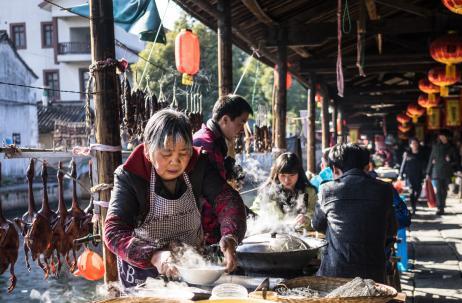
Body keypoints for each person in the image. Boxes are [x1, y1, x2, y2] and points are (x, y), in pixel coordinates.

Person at [104, 109, 247, 288]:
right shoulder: (130, 175)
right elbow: (114, 231)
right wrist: (155, 255)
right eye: (166, 154)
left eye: (183, 153)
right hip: (144, 275)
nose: (175, 161)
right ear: (148, 150)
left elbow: (228, 199)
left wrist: (230, 237)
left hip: (192, 268)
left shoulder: (199, 164)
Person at [312, 143, 397, 283]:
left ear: (334, 169)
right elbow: (391, 229)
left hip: (335, 275)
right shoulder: (385, 189)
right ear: (367, 167)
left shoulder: (327, 189)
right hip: (374, 276)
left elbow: (317, 225)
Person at [193, 94, 253, 181]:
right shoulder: (208, 145)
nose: (242, 130)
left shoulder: (210, 137)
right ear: (225, 120)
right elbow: (219, 191)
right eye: (240, 123)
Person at [251, 152, 318, 230]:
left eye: (292, 175)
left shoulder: (309, 192)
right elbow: (254, 212)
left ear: (299, 174)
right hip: (273, 235)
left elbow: (317, 216)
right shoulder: (268, 191)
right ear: (276, 174)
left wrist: (306, 219)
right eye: (282, 175)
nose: (287, 180)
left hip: (302, 236)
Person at [426, 130, 459, 215]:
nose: (442, 138)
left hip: (447, 172)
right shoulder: (435, 147)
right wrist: (428, 172)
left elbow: (456, 160)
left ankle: (442, 206)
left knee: (444, 191)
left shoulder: (451, 147)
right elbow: (431, 159)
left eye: (444, 137)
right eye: (441, 137)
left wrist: (450, 160)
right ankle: (439, 207)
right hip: (436, 172)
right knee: (439, 190)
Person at [400, 138, 426, 214]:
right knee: (411, 191)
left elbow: (424, 164)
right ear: (410, 145)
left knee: (418, 190)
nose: (415, 145)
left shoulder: (421, 153)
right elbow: (403, 164)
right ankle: (413, 207)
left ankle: (415, 201)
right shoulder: (407, 153)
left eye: (416, 143)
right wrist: (400, 174)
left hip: (419, 175)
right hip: (409, 175)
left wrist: (426, 173)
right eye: (413, 143)